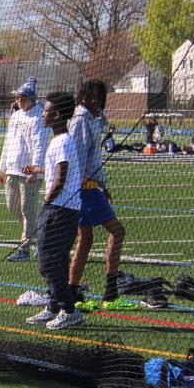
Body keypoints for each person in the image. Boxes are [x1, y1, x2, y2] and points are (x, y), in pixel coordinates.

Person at [21, 92, 84, 330]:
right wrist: (38, 170)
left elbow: (61, 177)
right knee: (55, 260)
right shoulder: (58, 140)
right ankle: (54, 305)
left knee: (48, 262)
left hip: (60, 209)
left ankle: (69, 311)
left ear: (57, 115)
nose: (42, 115)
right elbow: (57, 171)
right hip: (61, 208)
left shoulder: (64, 141)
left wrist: (47, 201)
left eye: (46, 111)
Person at [67, 79, 126, 305]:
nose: (94, 101)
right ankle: (104, 292)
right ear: (82, 97)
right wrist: (79, 188)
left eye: (98, 97)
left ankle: (76, 292)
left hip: (91, 187)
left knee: (88, 239)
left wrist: (103, 185)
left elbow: (94, 158)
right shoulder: (81, 120)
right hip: (82, 189)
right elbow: (78, 158)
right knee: (112, 232)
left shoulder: (92, 118)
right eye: (90, 96)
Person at [0, 77, 47, 262]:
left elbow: (40, 145)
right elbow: (7, 142)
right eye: (17, 97)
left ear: (31, 99)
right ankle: (40, 237)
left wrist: (35, 170)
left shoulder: (39, 116)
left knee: (28, 210)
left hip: (28, 172)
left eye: (23, 98)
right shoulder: (16, 116)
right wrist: (1, 168)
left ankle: (25, 249)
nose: (19, 101)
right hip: (12, 169)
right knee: (13, 207)